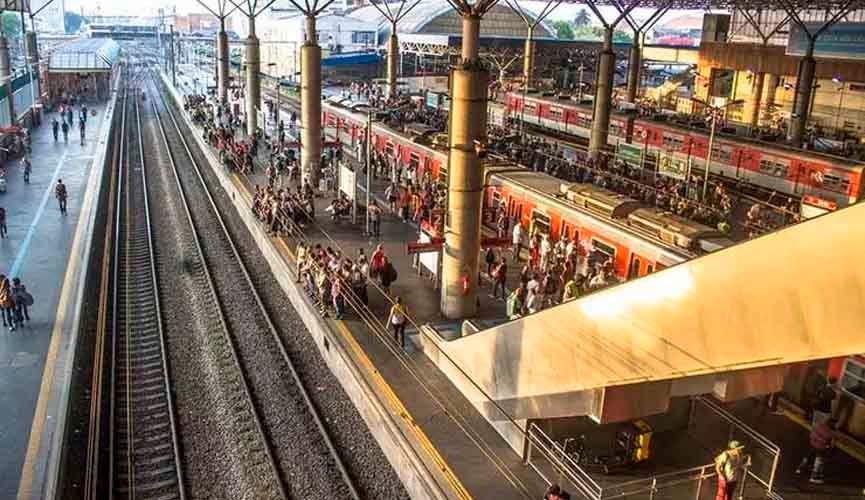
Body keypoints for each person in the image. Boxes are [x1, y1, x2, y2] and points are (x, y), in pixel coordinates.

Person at [796, 417, 836, 484]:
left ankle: (800, 469)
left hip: (812, 444)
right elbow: (832, 444)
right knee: (818, 461)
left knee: (808, 456)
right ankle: (814, 476)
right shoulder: (831, 433)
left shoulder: (818, 425)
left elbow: (812, 433)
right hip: (820, 448)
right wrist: (828, 447)